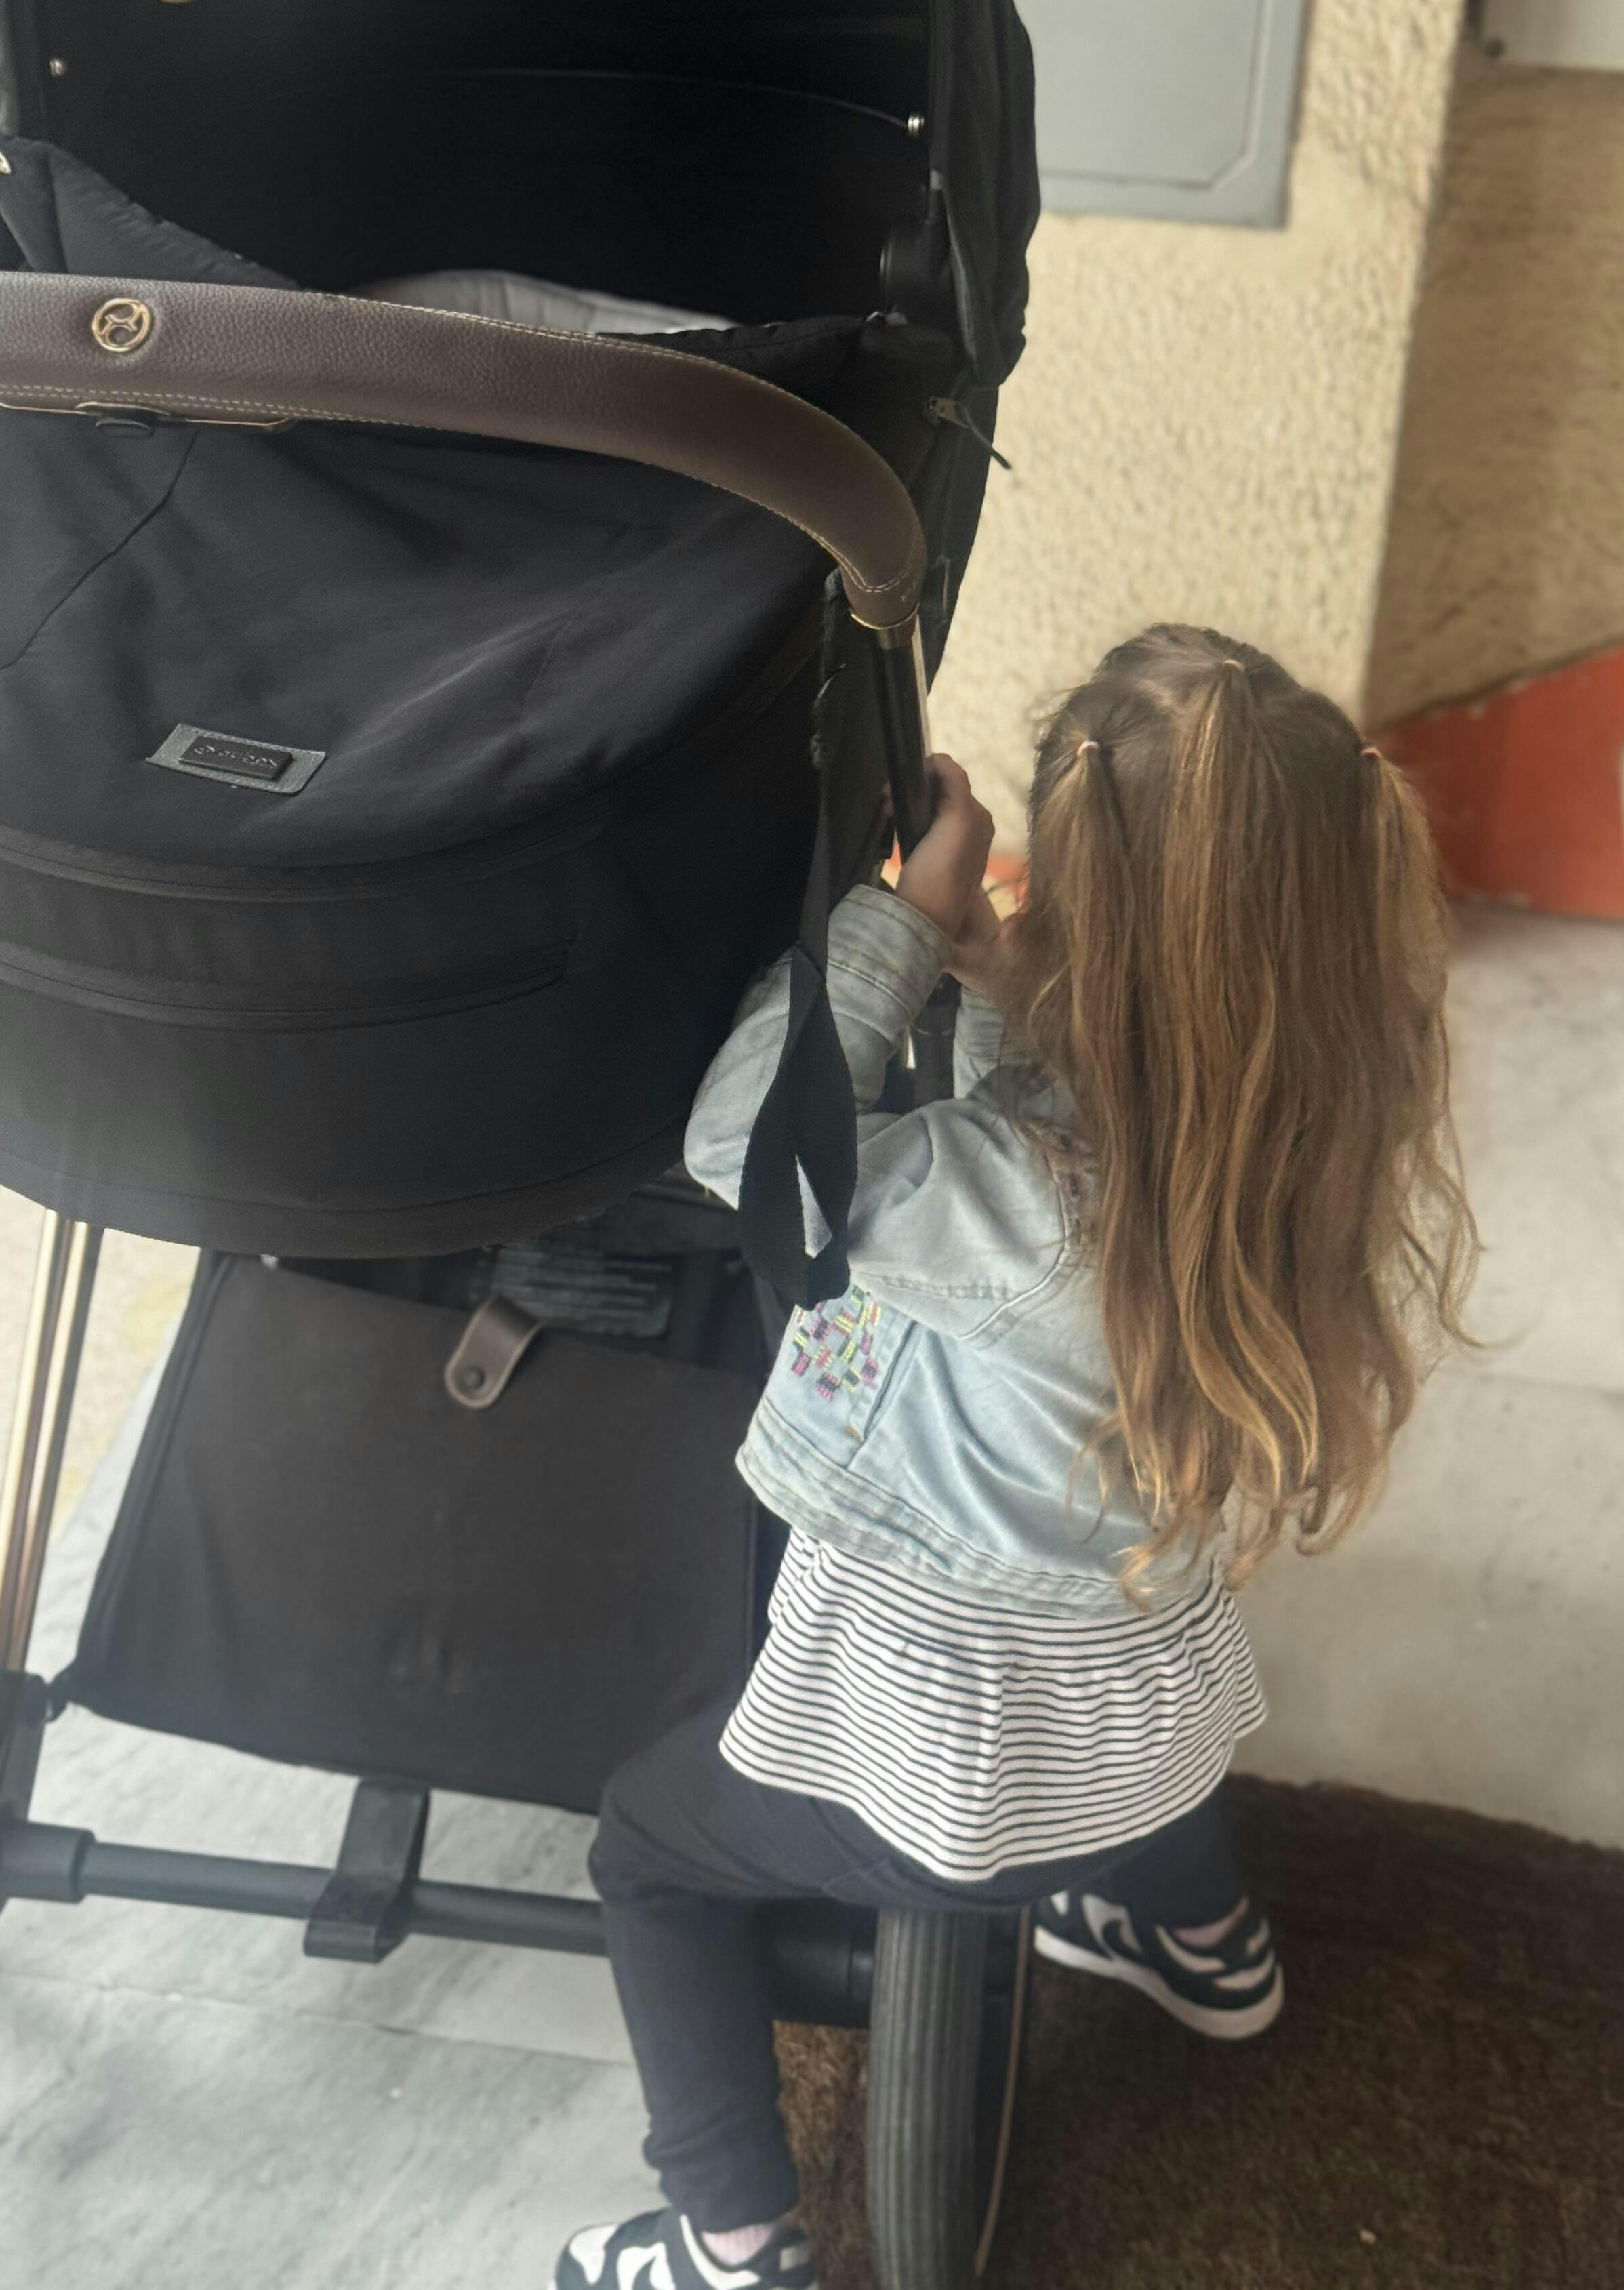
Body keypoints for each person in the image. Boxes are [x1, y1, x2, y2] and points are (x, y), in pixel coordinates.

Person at [553, 623, 1477, 2290]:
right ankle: (1212, 1951)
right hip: (1147, 1726)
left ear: (1082, 912)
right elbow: (1080, 1095)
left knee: (647, 1851)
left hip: (947, 1776)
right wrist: (1005, 982)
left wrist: (899, 923)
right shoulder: (1323, 1131)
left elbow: (748, 1144)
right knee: (1132, 1766)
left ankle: (732, 2238)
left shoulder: (1011, 1208)